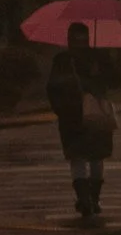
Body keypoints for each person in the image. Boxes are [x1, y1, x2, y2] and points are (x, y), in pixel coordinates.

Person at [46, 21, 116, 219]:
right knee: (96, 158)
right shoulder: (99, 57)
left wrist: (60, 109)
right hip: (96, 113)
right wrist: (101, 72)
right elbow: (116, 81)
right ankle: (93, 198)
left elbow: (52, 88)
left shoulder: (62, 60)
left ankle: (85, 199)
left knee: (78, 158)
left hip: (71, 116)